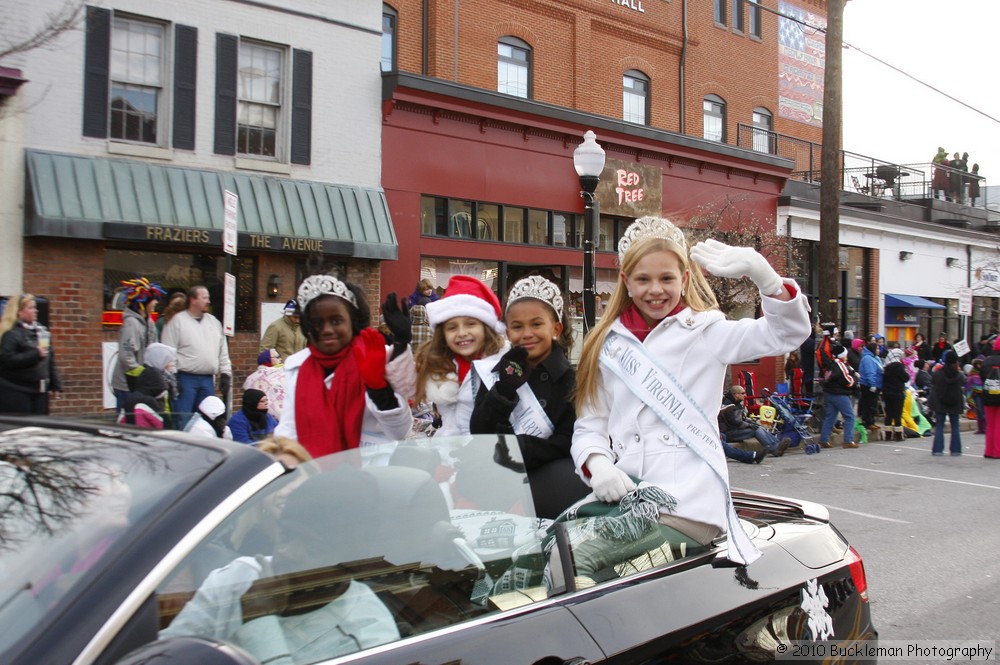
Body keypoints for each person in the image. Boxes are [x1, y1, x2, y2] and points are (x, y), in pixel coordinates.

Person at [571, 217, 811, 566]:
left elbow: (785, 334)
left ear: (684, 279)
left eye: (666, 278)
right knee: (541, 557)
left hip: (686, 505)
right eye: (643, 279)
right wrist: (598, 465)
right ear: (626, 281)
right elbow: (590, 425)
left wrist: (767, 278)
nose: (655, 289)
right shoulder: (607, 344)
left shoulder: (707, 331)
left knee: (581, 561)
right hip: (626, 497)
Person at [161, 466, 399, 662]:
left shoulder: (370, 636)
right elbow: (170, 653)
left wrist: (258, 621)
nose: (287, 552)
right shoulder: (239, 577)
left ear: (348, 557)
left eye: (310, 546)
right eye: (285, 535)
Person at [468, 275, 589, 518]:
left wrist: (525, 447)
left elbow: (569, 439)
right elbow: (479, 429)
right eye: (517, 326)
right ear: (507, 330)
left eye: (536, 324)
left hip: (550, 488)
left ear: (556, 329)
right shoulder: (497, 373)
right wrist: (504, 389)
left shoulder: (571, 379)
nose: (526, 334)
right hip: (498, 486)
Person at [274, 275, 415, 458]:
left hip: (372, 473)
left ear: (352, 322)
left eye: (336, 321)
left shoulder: (378, 355)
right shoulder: (297, 366)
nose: (326, 329)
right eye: (317, 323)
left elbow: (400, 432)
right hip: (313, 473)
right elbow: (288, 429)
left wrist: (378, 389)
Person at [415, 275, 509, 438]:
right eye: (452, 327)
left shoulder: (504, 363)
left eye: (471, 324)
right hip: (449, 452)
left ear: (486, 327)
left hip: (490, 454)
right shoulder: (440, 363)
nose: (462, 333)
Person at [161, 286, 232, 423]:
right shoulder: (177, 321)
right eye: (204, 298)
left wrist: (225, 374)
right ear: (193, 300)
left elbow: (222, 351)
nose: (208, 301)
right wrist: (173, 377)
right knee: (183, 418)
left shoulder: (214, 323)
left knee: (208, 418)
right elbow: (169, 351)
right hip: (185, 378)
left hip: (207, 380)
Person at [0, 294, 62, 414]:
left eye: (35, 307)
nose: (35, 311)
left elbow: (50, 359)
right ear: (19, 312)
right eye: (31, 308)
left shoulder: (42, 331)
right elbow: (7, 360)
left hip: (40, 390)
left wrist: (55, 384)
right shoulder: (11, 334)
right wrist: (34, 354)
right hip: (16, 389)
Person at [112, 277, 165, 411]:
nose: (156, 303)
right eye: (153, 300)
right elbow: (126, 357)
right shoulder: (132, 324)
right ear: (143, 302)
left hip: (142, 386)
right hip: (127, 385)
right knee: (127, 422)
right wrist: (144, 375)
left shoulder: (149, 322)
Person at [118, 342, 177, 429]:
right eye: (168, 360)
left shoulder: (164, 376)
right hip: (154, 421)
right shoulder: (154, 376)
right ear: (160, 359)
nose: (171, 364)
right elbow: (160, 403)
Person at [717, 386, 789, 457]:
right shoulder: (728, 405)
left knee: (758, 427)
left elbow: (743, 419)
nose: (744, 395)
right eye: (742, 393)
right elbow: (735, 422)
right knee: (756, 430)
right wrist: (749, 425)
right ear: (736, 394)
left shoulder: (737, 403)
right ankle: (774, 449)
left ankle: (777, 445)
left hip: (735, 429)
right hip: (729, 433)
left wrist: (752, 423)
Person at [818, 344, 858, 449]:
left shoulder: (830, 364)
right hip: (839, 393)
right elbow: (847, 380)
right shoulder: (840, 365)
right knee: (849, 416)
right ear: (842, 355)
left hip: (829, 392)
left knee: (830, 417)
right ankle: (848, 440)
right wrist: (854, 379)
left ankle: (823, 440)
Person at [929, 351, 965, 456]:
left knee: (939, 425)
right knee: (955, 426)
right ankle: (956, 450)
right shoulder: (959, 375)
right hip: (955, 401)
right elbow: (962, 383)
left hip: (940, 401)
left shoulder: (937, 373)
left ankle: (938, 450)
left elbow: (933, 383)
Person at [243, 349, 286, 419]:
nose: (280, 359)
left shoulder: (283, 372)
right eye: (277, 357)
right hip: (262, 416)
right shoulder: (255, 377)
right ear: (267, 359)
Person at [881, 348, 910, 442]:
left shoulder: (886, 367)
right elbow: (906, 378)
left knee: (889, 414)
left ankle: (888, 435)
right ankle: (898, 435)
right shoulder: (898, 366)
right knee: (897, 414)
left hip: (887, 393)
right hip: (897, 392)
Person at [980, 338, 1000, 459]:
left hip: (988, 395)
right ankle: (997, 451)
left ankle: (989, 450)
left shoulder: (987, 360)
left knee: (990, 424)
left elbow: (982, 377)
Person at [858, 339, 883, 432]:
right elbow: (870, 372)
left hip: (876, 384)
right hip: (869, 385)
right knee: (868, 404)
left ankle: (871, 421)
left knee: (873, 403)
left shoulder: (875, 358)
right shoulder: (868, 358)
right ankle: (868, 422)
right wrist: (872, 384)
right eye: (877, 349)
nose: (878, 351)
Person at [965, 359, 985, 435]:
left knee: (983, 411)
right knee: (979, 411)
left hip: (983, 394)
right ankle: (980, 428)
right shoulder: (972, 373)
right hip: (975, 395)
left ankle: (984, 427)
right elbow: (969, 383)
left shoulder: (983, 372)